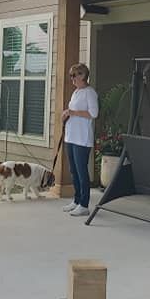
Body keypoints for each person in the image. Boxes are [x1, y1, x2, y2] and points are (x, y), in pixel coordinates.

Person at [61, 63, 99, 217]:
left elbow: (93, 113)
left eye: (74, 75)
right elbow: (74, 112)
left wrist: (73, 112)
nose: (72, 79)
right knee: (73, 170)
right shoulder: (76, 92)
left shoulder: (90, 93)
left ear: (83, 75)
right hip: (71, 136)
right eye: (71, 75)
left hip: (82, 139)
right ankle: (76, 200)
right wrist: (66, 114)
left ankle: (84, 204)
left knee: (82, 171)